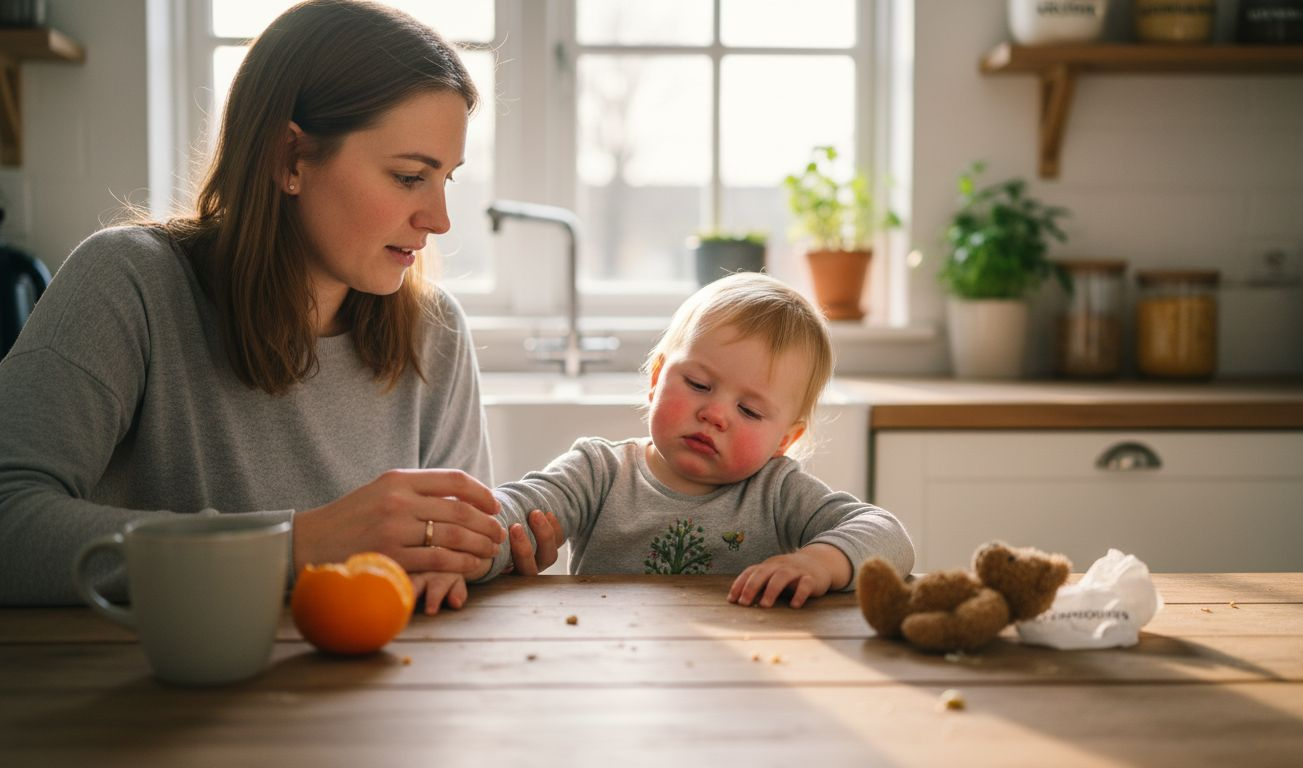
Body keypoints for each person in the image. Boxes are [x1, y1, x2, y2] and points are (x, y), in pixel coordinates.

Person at [0, 0, 562, 606]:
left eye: (445, 178)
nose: (440, 219)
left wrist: (480, 554)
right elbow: (11, 523)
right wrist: (295, 544)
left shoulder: (435, 330)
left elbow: (445, 555)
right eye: (407, 177)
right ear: (289, 158)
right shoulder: (128, 283)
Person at [438, 273, 914, 610]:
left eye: (749, 411)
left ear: (782, 441)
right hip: (608, 672)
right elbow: (517, 508)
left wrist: (820, 561)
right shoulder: (598, 473)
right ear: (657, 377)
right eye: (699, 385)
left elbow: (889, 535)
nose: (714, 414)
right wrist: (459, 549)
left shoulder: (779, 492)